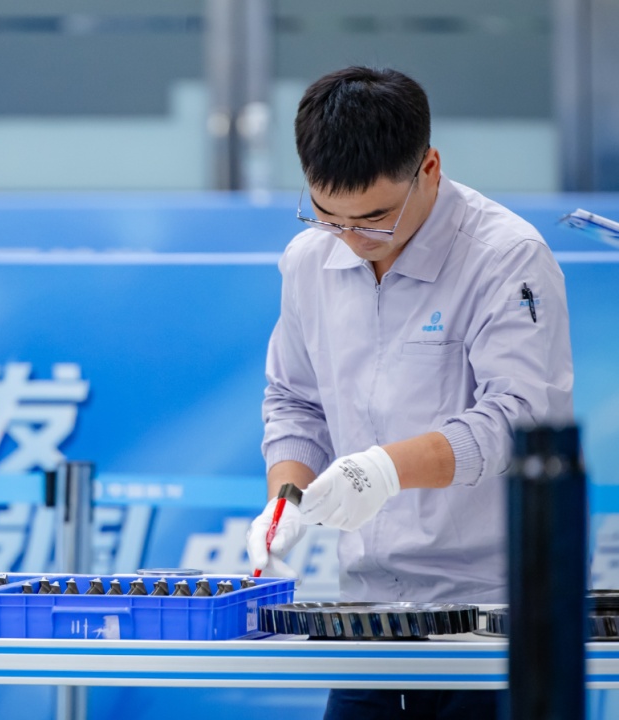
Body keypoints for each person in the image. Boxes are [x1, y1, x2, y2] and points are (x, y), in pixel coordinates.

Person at [245, 67, 573, 719]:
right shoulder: (309, 260)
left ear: (429, 168)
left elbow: (520, 419)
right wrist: (286, 499)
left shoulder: (505, 258)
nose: (351, 240)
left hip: (490, 620)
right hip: (365, 615)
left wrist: (383, 470)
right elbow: (294, 402)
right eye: (326, 215)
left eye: (374, 218)